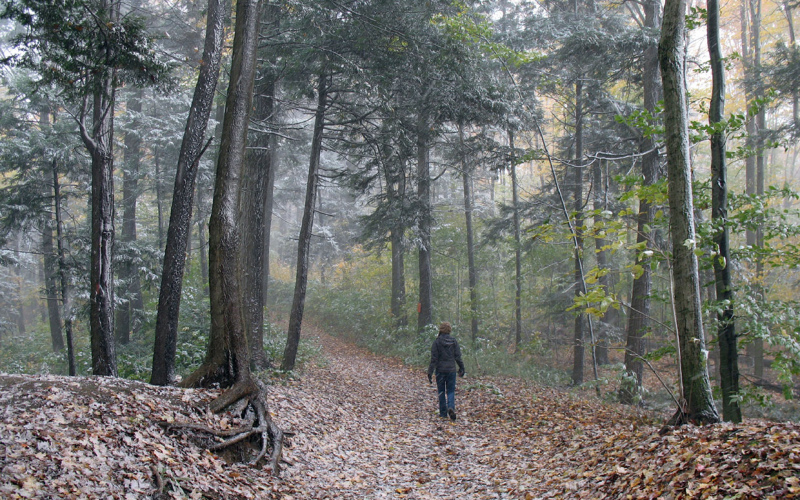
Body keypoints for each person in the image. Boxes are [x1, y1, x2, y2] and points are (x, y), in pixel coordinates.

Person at [427, 322, 465, 421]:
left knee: (441, 391)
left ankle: (443, 413)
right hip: (451, 370)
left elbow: (434, 359)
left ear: (440, 329)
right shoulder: (454, 341)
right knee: (451, 391)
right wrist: (462, 368)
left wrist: (430, 372)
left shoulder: (437, 342)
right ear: (449, 330)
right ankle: (451, 407)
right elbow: (458, 356)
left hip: (440, 370)